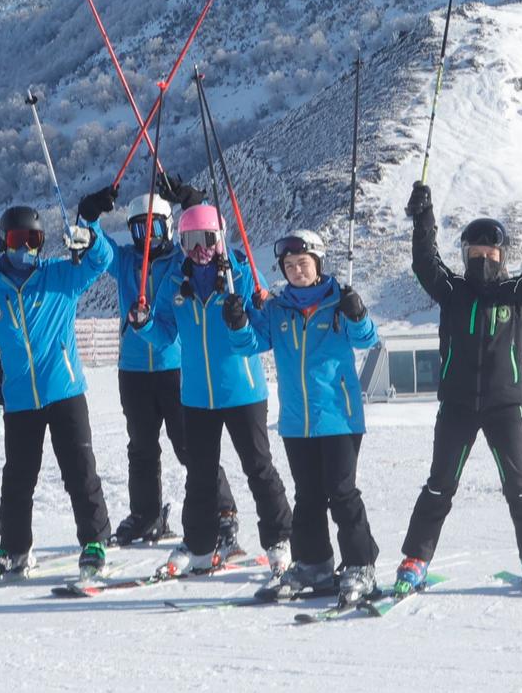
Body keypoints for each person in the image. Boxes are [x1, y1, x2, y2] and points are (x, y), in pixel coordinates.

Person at [396, 184, 522, 593]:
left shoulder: (514, 294)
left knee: (520, 485)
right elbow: (426, 264)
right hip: (456, 406)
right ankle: (415, 560)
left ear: (502, 257)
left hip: (505, 406)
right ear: (466, 257)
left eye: (490, 255)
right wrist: (423, 220)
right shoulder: (452, 292)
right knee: (439, 484)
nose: (483, 260)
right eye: (475, 254)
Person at [129, 201, 292, 577]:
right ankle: (200, 544)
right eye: (190, 241)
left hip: (243, 391)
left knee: (258, 467)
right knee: (199, 474)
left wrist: (242, 321)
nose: (199, 250)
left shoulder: (242, 274)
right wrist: (143, 323)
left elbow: (264, 333)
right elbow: (166, 333)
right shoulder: (175, 282)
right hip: (198, 396)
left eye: (207, 240)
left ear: (221, 239)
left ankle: (278, 538)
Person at [0, 194, 117, 584]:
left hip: (64, 391)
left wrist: (90, 235)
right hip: (18, 398)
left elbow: (102, 261)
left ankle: (95, 541)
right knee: (18, 477)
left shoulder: (60, 277)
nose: (25, 248)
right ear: (3, 241)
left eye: (33, 240)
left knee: (79, 470)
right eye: (17, 239)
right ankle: (14, 547)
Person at [232, 229, 380, 606]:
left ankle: (360, 565)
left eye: (304, 264)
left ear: (318, 264)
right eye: (290, 265)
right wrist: (236, 324)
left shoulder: (338, 302)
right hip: (297, 422)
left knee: (342, 492)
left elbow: (366, 339)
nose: (297, 271)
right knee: (308, 497)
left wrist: (358, 313)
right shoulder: (277, 309)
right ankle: (313, 565)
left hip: (339, 417)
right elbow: (253, 343)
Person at [110, 181, 235, 545]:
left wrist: (194, 202)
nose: (146, 236)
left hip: (174, 365)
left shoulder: (182, 261)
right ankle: (146, 514)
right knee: (142, 446)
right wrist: (88, 217)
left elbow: (209, 243)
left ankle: (222, 509)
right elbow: (95, 250)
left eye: (155, 227)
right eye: (138, 229)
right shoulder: (124, 262)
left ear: (168, 226)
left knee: (188, 444)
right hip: (133, 369)